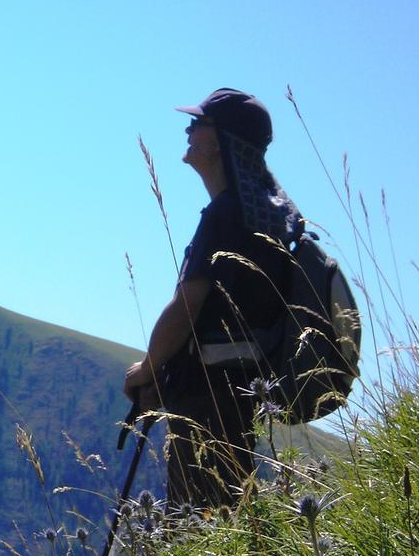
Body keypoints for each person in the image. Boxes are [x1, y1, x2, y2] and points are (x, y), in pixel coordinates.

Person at [123, 90, 301, 511]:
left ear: (220, 140)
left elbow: (189, 303)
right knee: (223, 515)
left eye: (197, 124)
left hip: (206, 399)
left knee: (194, 523)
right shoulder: (268, 214)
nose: (188, 131)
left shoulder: (225, 215)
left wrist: (146, 369)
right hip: (242, 395)